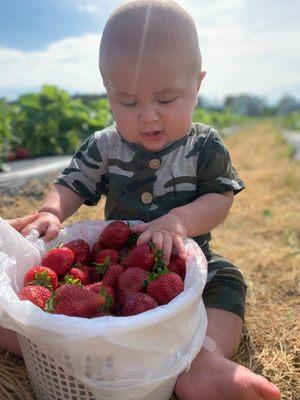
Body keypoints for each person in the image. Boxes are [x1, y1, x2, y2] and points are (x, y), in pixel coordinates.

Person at [1, 1, 281, 399]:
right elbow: (73, 183)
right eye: (127, 102)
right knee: (48, 305)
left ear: (196, 87)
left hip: (187, 263)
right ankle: (59, 348)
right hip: (110, 266)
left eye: (166, 100)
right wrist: (51, 210)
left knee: (227, 282)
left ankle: (201, 358)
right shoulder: (105, 145)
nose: (147, 116)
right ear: (108, 94)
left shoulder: (203, 145)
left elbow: (220, 196)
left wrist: (180, 221)